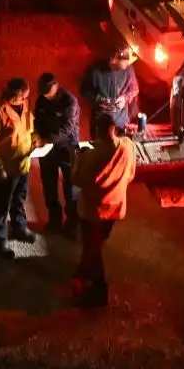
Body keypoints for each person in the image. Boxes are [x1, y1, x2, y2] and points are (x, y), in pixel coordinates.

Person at [72, 110, 136, 308]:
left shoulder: (90, 156)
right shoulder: (127, 146)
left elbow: (77, 179)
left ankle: (98, 291)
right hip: (115, 208)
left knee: (94, 248)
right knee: (97, 243)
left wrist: (77, 158)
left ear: (97, 131)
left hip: (93, 212)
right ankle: (81, 272)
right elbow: (131, 174)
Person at [0, 76, 36, 257]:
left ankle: (19, 228)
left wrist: (35, 140)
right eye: (23, 97)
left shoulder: (23, 103)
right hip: (7, 168)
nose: (25, 101)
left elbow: (28, 126)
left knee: (19, 199)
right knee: (1, 205)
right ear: (14, 96)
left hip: (24, 163)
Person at [33, 71, 81, 233]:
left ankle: (72, 224)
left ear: (56, 86)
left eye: (48, 92)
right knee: (49, 186)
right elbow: (37, 121)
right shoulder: (41, 100)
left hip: (67, 149)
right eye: (43, 93)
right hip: (47, 152)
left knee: (71, 188)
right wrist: (36, 135)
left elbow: (67, 128)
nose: (45, 96)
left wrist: (47, 140)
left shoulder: (69, 102)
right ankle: (54, 220)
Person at [80, 41, 140, 130]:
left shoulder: (128, 69)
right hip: (101, 121)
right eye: (119, 68)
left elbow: (134, 89)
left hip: (122, 121)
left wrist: (125, 98)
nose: (125, 69)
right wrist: (100, 100)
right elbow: (84, 91)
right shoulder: (94, 71)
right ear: (113, 59)